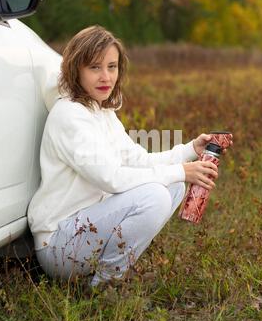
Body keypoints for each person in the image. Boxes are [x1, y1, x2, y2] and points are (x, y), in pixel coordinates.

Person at [27, 25, 224, 289]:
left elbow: (138, 160)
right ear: (76, 69)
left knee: (172, 185)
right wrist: (181, 171)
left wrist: (190, 150)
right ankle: (105, 285)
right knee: (155, 194)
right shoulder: (70, 115)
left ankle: (111, 269)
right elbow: (112, 179)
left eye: (112, 66)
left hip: (86, 229)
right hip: (59, 246)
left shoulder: (101, 113)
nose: (106, 76)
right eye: (94, 67)